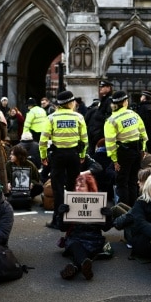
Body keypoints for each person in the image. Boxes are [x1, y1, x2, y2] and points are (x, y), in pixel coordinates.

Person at [40, 90, 88, 229]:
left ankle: (59, 220)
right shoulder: (79, 117)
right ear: (70, 103)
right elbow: (84, 140)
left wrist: (43, 156)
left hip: (58, 155)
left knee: (58, 188)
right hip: (73, 155)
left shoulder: (51, 118)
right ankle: (72, 219)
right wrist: (82, 155)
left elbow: (43, 140)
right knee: (73, 187)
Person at [57, 174, 113, 280]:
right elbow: (62, 228)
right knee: (76, 246)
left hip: (93, 239)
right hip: (75, 238)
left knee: (82, 250)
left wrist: (108, 217)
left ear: (89, 188)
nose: (78, 188)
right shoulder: (70, 203)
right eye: (77, 185)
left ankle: (74, 268)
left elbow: (106, 228)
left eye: (81, 186)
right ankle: (83, 266)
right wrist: (61, 214)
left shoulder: (99, 203)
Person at [104, 91, 148, 207]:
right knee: (133, 182)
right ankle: (134, 209)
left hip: (123, 153)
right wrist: (143, 149)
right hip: (137, 150)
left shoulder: (111, 120)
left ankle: (124, 211)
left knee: (122, 183)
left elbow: (110, 142)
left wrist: (114, 160)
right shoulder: (134, 114)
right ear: (124, 102)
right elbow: (143, 133)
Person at [86, 80, 113, 155]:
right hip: (95, 131)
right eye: (100, 86)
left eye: (103, 87)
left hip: (99, 132)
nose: (100, 88)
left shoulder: (109, 100)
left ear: (108, 88)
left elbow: (109, 117)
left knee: (97, 153)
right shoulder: (104, 99)